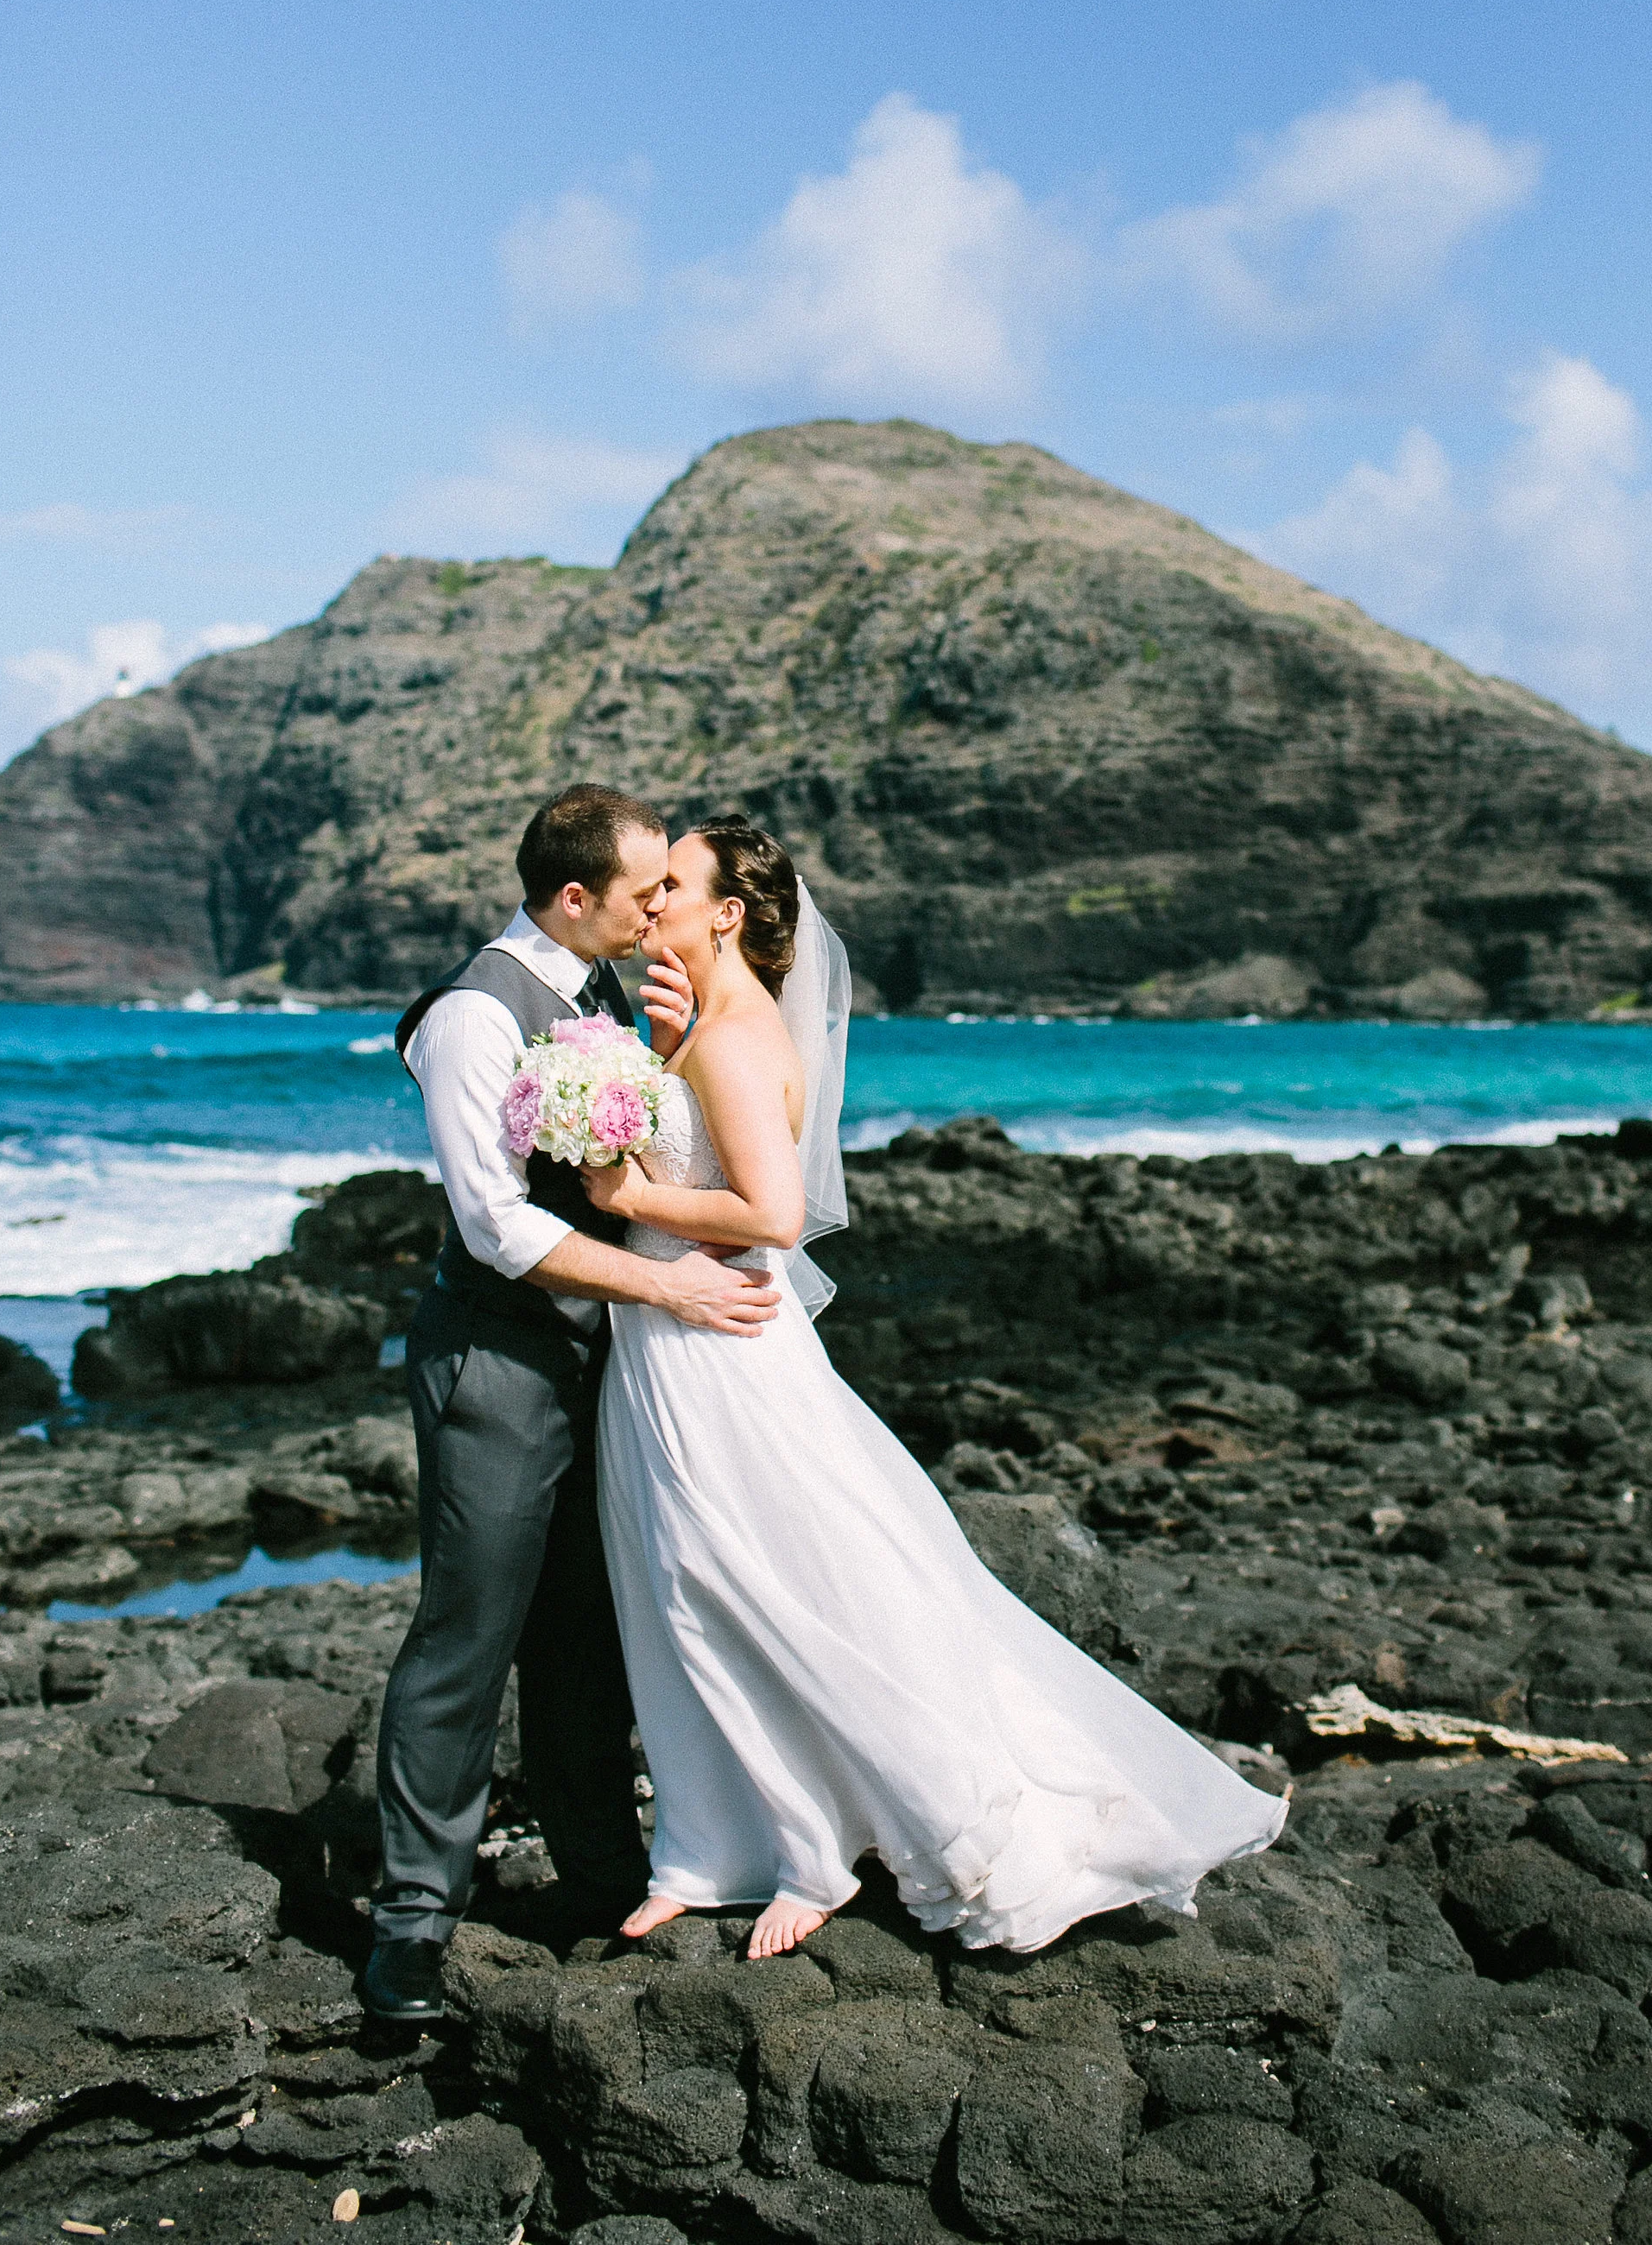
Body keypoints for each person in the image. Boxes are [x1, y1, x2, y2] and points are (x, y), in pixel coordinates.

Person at [584, 812, 1288, 1964]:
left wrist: (622, 1197)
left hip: (721, 1344)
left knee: (756, 1584)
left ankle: (824, 1850)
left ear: (725, 913)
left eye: (673, 886)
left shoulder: (732, 1035)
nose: (648, 900)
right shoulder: (696, 1025)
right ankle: (722, 1845)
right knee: (689, 1589)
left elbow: (769, 1214)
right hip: (668, 1336)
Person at [361, 784, 783, 2025]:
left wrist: (660, 1047)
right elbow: (494, 1228)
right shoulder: (469, 1020)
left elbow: (619, 1165)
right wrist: (676, 1294)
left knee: (586, 1632)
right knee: (466, 1636)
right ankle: (410, 1931)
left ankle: (600, 1877)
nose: (663, 906)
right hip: (495, 1363)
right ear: (572, 897)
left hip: (603, 1367)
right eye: (645, 889)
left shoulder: (610, 991)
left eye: (671, 887)